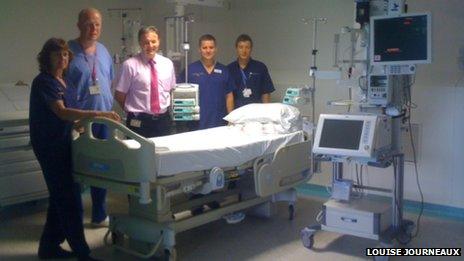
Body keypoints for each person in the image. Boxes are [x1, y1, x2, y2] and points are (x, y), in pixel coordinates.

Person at [30, 38, 120, 260]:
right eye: (57, 54)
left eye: (65, 54)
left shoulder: (62, 81)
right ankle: (82, 251)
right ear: (46, 57)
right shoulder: (44, 82)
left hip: (65, 142)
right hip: (50, 146)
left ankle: (48, 247)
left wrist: (82, 127)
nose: (62, 58)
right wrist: (100, 114)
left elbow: (71, 115)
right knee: (69, 199)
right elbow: (62, 112)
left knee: (59, 198)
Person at [65, 8, 114, 226]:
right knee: (79, 169)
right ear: (78, 25)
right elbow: (62, 87)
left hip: (104, 119)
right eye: (88, 24)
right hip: (80, 121)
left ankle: (99, 214)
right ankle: (73, 217)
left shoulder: (103, 51)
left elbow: (108, 80)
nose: (93, 29)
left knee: (101, 167)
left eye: (97, 24)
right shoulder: (68, 51)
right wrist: (74, 122)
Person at [115, 26, 176, 137]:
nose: (150, 46)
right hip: (139, 121)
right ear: (140, 43)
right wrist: (134, 112)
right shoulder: (130, 65)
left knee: (164, 153)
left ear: (159, 41)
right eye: (146, 42)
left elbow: (170, 90)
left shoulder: (167, 64)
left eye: (153, 41)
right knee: (137, 153)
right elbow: (119, 95)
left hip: (163, 120)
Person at [178, 34, 235, 130]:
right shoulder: (190, 70)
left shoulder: (224, 70)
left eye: (211, 47)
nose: (208, 50)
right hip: (196, 123)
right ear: (199, 49)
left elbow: (229, 96)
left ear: (216, 49)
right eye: (204, 48)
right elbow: (180, 94)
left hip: (219, 122)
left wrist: (231, 119)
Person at [227, 34, 275, 108]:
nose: (244, 51)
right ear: (236, 48)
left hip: (256, 112)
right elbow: (228, 95)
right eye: (241, 47)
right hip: (237, 112)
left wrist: (266, 112)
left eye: (247, 47)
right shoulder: (229, 69)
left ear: (251, 49)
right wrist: (230, 115)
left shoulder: (260, 67)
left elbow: (266, 92)